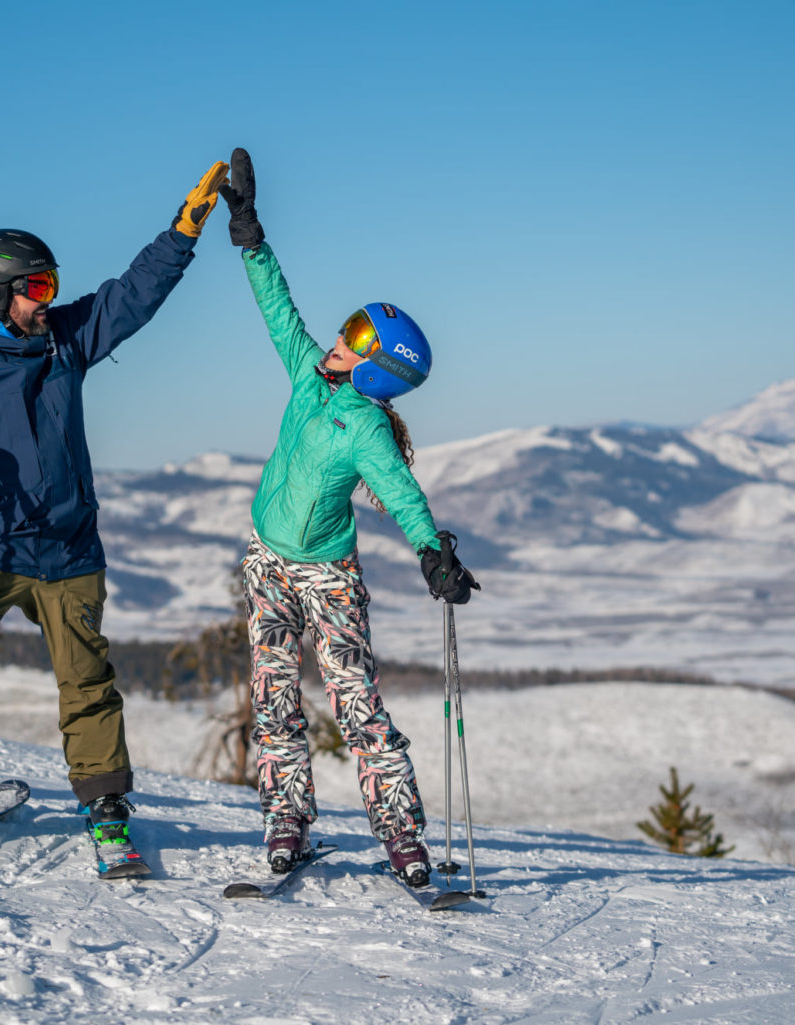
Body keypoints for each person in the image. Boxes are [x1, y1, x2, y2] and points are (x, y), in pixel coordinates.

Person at [0, 159, 229, 877]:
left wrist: (183, 232)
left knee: (86, 680)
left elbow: (131, 296)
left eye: (52, 284)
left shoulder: (64, 341)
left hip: (68, 547)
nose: (49, 299)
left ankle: (104, 806)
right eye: (37, 287)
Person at [217, 148, 479, 886]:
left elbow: (401, 491)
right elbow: (279, 309)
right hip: (267, 562)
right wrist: (252, 237)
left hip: (328, 576)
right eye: (348, 328)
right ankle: (287, 819)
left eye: (356, 340)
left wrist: (431, 551)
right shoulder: (309, 373)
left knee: (356, 701)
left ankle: (401, 833)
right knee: (273, 698)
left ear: (378, 368)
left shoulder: (365, 427)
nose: (338, 339)